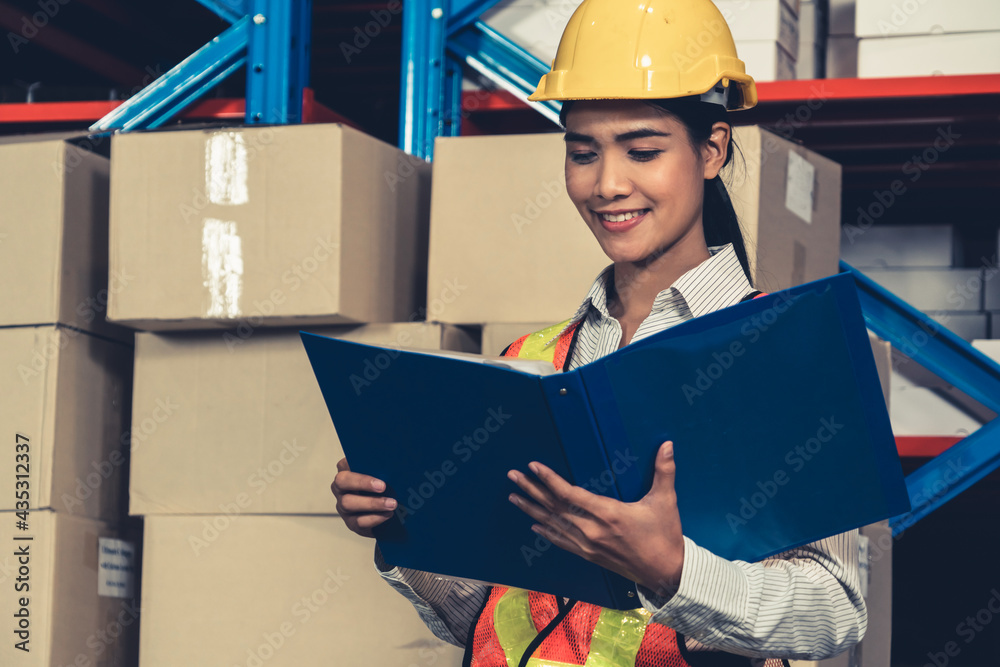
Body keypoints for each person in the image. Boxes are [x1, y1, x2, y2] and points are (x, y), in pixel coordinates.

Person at [331, 0, 867, 665]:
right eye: (583, 153)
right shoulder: (530, 365)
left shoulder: (786, 358)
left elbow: (836, 611)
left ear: (712, 149)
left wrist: (674, 570)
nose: (608, 184)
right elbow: (486, 615)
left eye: (643, 150)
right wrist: (404, 529)